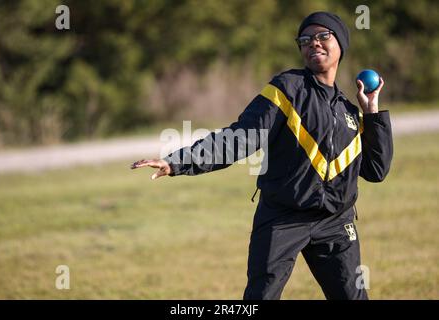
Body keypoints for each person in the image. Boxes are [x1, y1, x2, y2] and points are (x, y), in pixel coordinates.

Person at [131, 12, 393, 300]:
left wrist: (372, 114)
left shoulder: (348, 110)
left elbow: (375, 170)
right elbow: (241, 138)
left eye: (322, 36)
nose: (313, 43)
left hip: (336, 222)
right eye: (305, 40)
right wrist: (177, 162)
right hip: (282, 218)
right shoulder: (287, 90)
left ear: (341, 44)